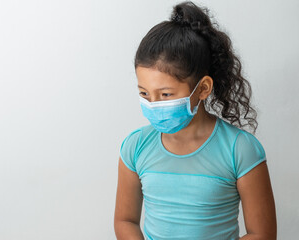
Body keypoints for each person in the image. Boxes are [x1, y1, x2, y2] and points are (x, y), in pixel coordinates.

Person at [113, 1, 277, 240]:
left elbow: (262, 234)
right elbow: (125, 220)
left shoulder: (240, 150)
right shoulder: (135, 147)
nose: (154, 104)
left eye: (166, 94)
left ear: (202, 88)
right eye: (144, 93)